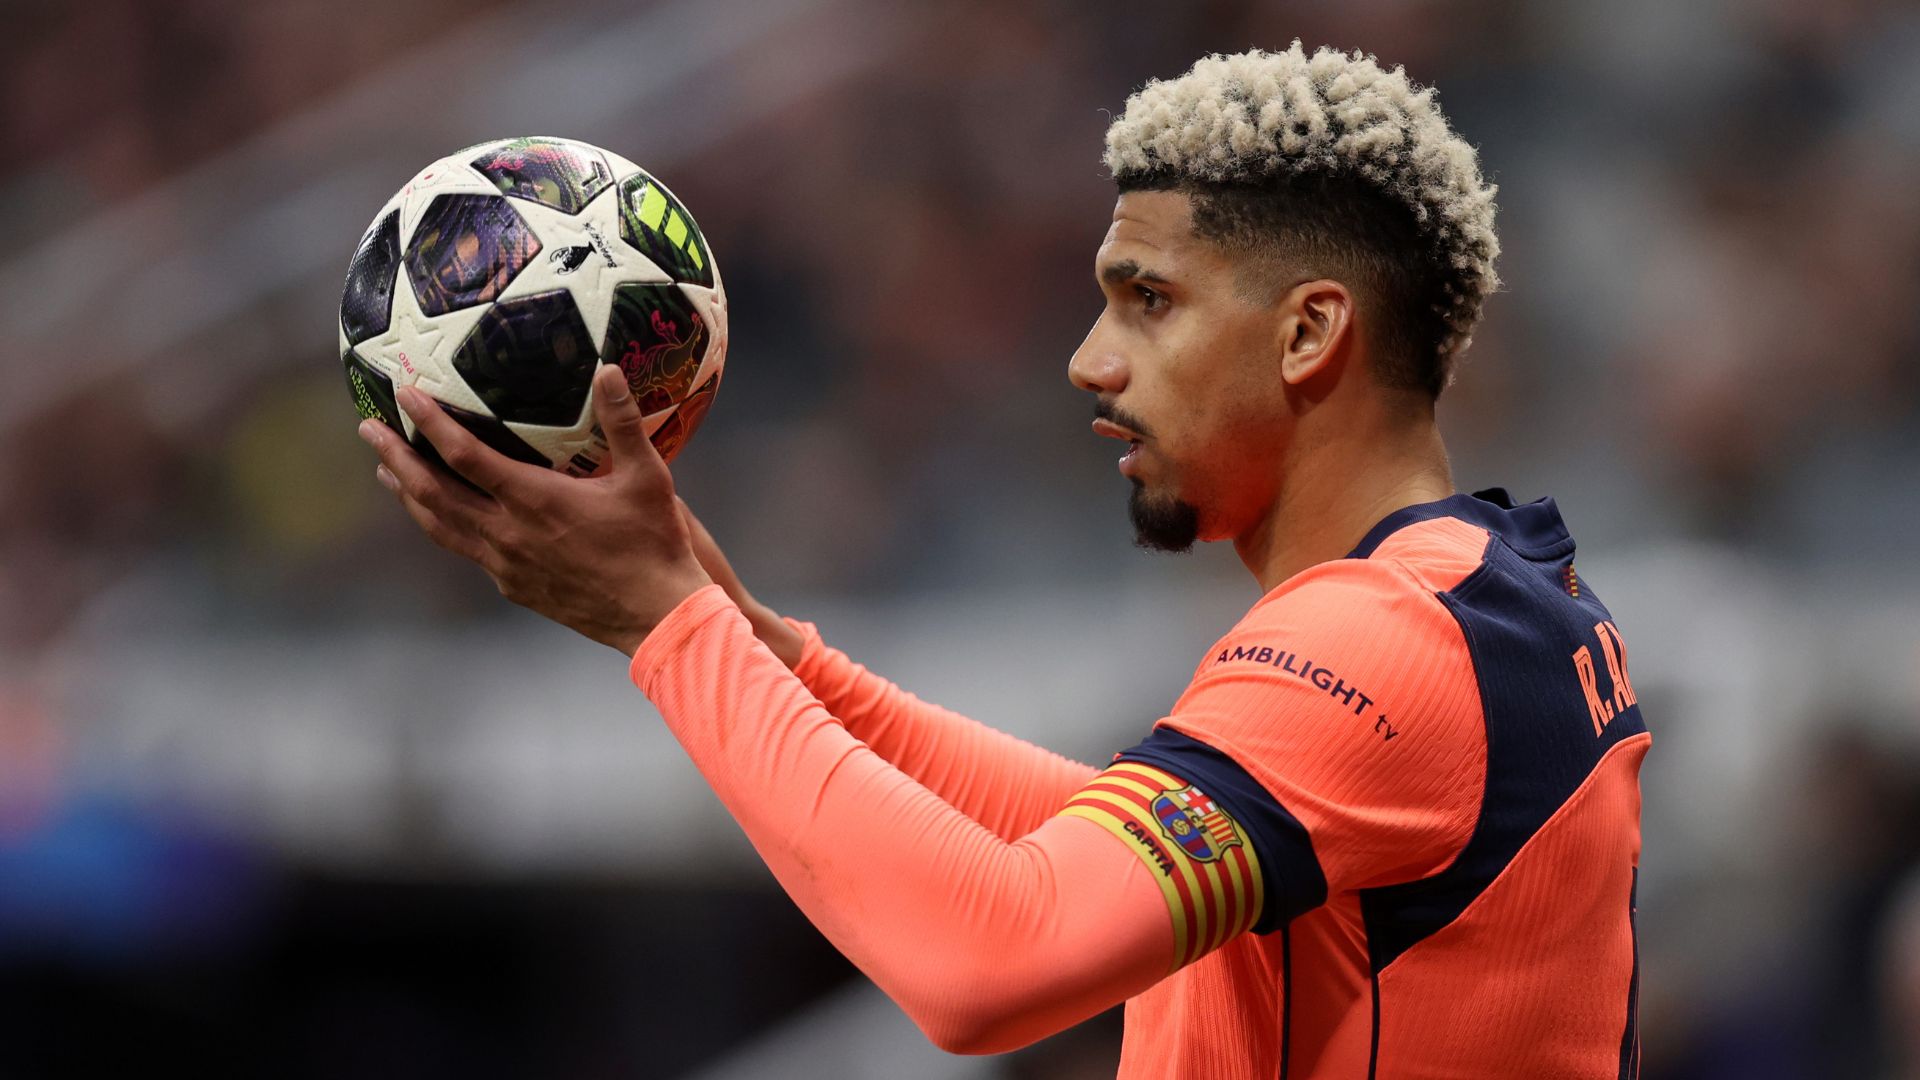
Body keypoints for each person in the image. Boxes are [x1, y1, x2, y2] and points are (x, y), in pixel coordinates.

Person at [359, 43, 1649, 1079]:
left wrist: (668, 631)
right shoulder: (1487, 595)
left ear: (1310, 332)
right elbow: (1088, 845)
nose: (1090, 360)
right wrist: (757, 642)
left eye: (1147, 299)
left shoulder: (1381, 643)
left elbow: (994, 963)